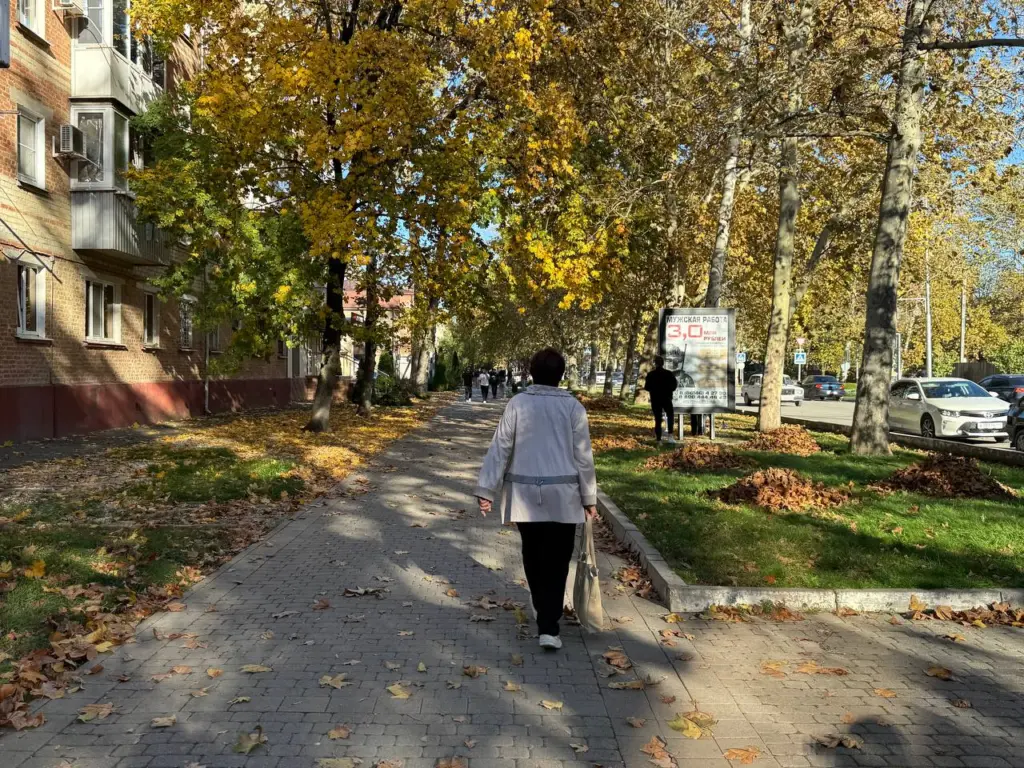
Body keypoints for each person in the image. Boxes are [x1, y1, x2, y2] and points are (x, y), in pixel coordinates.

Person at [474, 348, 598, 650]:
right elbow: (583, 456)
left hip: (525, 495)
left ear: (531, 372)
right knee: (557, 560)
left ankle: (543, 608)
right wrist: (589, 497)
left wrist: (486, 490)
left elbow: (500, 446)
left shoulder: (518, 403)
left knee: (532, 553)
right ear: (562, 375)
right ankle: (549, 624)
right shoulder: (573, 408)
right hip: (564, 497)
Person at [644, 355, 678, 443]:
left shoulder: (651, 375)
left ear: (655, 364)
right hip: (667, 398)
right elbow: (674, 386)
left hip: (655, 399)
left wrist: (654, 389)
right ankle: (670, 436)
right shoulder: (669, 374)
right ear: (663, 363)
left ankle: (659, 439)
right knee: (670, 416)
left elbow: (647, 387)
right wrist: (667, 389)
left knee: (658, 419)